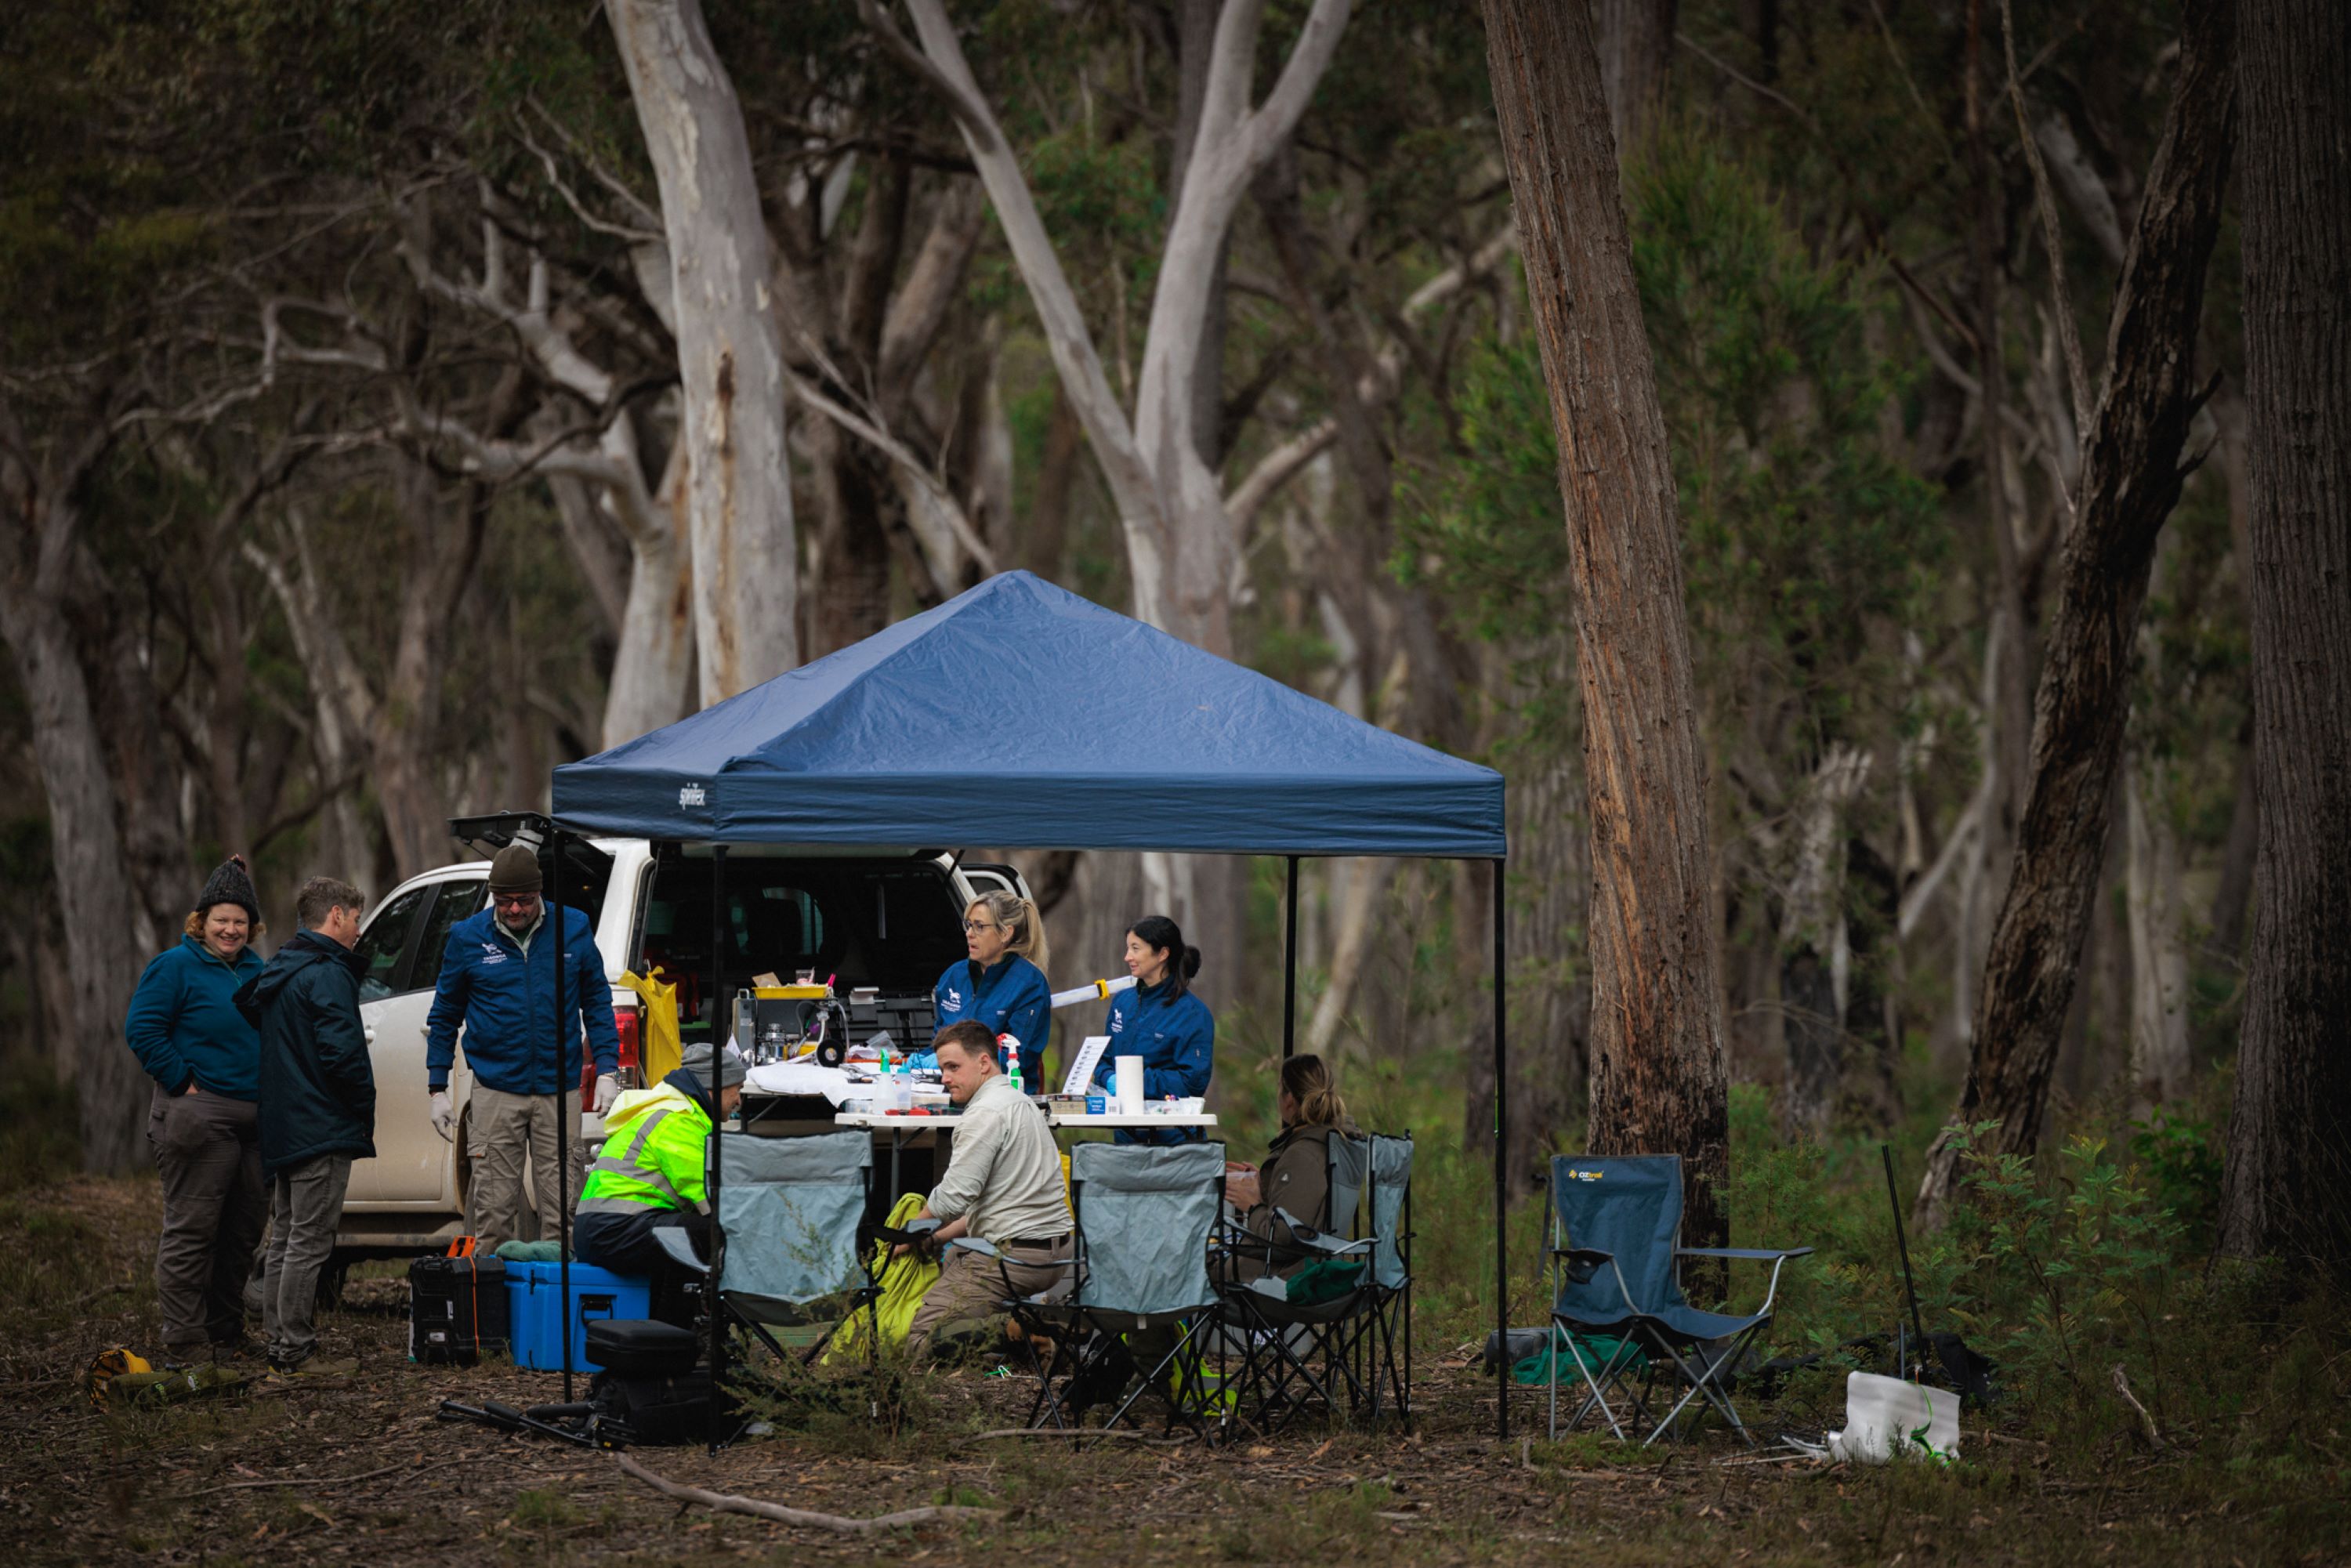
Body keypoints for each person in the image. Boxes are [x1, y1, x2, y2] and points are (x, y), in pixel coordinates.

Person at [425, 843, 621, 1252]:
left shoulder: (574, 928)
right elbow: (444, 1014)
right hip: (496, 1090)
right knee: (493, 1213)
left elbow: (598, 1000)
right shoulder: (467, 938)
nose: (514, 910)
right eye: (504, 901)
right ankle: (494, 1311)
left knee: (562, 1211)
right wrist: (437, 1087)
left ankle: (554, 1310)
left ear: (540, 893)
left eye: (524, 900)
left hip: (559, 1090)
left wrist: (607, 1068)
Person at [124, 855, 269, 1364]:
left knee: (243, 1229)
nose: (230, 929)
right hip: (198, 1114)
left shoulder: (258, 969)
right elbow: (141, 1029)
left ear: (252, 925)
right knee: (193, 1227)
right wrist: (183, 1081)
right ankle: (185, 1340)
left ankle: (225, 1331)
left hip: (256, 1120)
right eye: (221, 919)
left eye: (239, 920)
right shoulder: (174, 966)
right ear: (201, 922)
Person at [234, 876, 374, 1374]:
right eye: (356, 919)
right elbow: (342, 1054)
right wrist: (361, 1102)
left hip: (286, 1127)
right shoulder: (327, 972)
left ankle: (279, 1344)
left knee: (290, 1236)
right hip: (320, 1126)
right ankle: (295, 1351)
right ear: (335, 916)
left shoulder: (283, 969)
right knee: (309, 1242)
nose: (359, 930)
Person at [900, 1022, 1072, 1360]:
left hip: (1018, 1256)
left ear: (983, 1063)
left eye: (953, 1067)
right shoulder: (1020, 1101)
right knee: (952, 1258)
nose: (945, 1078)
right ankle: (1023, 1342)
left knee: (920, 1341)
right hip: (1056, 1250)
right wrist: (933, 1239)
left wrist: (907, 1233)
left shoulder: (983, 1115)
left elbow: (952, 1198)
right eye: (942, 1069)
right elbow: (995, 1205)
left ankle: (1031, 1331)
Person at [575, 1039, 745, 1324]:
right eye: (737, 1089)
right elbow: (712, 1197)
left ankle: (668, 1331)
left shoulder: (666, 1112)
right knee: (705, 1233)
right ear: (715, 1086)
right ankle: (671, 1334)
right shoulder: (677, 1121)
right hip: (612, 1229)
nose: (739, 1100)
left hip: (606, 1227)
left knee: (688, 1232)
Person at [1220, 1054, 1358, 1284]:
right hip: (1316, 1263)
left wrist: (1252, 1205)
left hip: (1284, 1275)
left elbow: (1283, 1239)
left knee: (1202, 1259)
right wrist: (1269, 1183)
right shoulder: (1334, 1142)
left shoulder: (1304, 1153)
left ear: (1289, 1100)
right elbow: (1305, 1204)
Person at [1095, 914, 1215, 1145]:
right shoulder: (1123, 1002)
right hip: (1126, 1138)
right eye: (1128, 948)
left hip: (1175, 1141)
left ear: (1162, 954)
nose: (1127, 957)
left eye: (1136, 949)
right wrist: (1109, 1078)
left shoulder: (1193, 1014)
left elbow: (1192, 1083)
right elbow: (1103, 1060)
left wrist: (1135, 1082)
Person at [930, 889, 1052, 1074]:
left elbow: (1018, 1057)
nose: (969, 934)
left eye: (979, 926)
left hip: (1003, 1092)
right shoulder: (954, 976)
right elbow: (938, 1040)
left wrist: (953, 1063)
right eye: (968, 925)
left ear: (1005, 933)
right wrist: (921, 1061)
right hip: (948, 1088)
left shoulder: (1030, 984)